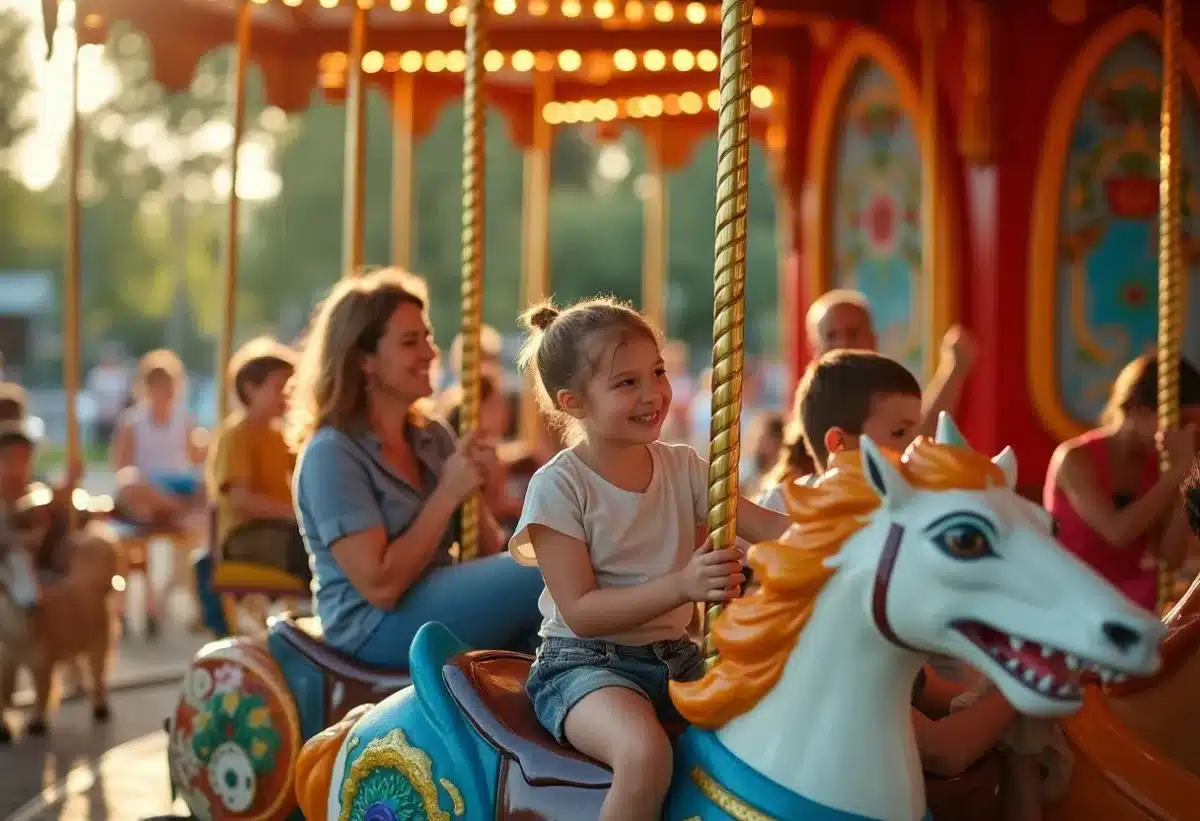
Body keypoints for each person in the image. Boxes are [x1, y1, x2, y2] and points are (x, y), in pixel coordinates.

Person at [509, 297, 792, 821]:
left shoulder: (684, 468)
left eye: (657, 373)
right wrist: (682, 586)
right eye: (626, 383)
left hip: (675, 657)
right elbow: (581, 611)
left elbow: (776, 531)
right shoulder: (559, 487)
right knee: (645, 754)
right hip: (584, 664)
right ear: (572, 402)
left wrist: (853, 533)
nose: (653, 394)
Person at [291, 268, 543, 667]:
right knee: (544, 573)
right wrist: (447, 494)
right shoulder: (331, 455)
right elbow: (381, 585)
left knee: (553, 616)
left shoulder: (431, 437)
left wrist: (476, 488)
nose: (429, 352)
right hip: (371, 626)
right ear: (364, 360)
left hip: (430, 600)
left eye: (427, 337)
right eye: (410, 342)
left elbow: (486, 549)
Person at [790, 350, 1020, 777]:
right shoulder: (819, 541)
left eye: (919, 436)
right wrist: (1028, 685)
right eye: (900, 434)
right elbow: (943, 751)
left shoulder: (887, 535)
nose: (916, 451)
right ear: (839, 444)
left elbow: (932, 691)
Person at [1044, 354, 1200, 611]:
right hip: (1072, 590)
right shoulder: (1075, 459)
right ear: (1136, 409)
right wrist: (1177, 473)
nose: (1188, 435)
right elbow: (1117, 533)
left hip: (1126, 592)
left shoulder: (1160, 466)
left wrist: (1187, 477)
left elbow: (1170, 557)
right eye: (1181, 422)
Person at [805, 288, 975, 436]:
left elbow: (915, 441)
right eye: (831, 336)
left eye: (853, 333)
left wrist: (954, 370)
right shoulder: (809, 406)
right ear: (814, 347)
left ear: (873, 339)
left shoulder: (887, 392)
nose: (843, 344)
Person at [110, 349, 207, 525]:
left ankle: (172, 509)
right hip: (148, 484)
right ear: (148, 386)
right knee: (128, 484)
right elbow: (121, 468)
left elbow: (197, 459)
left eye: (168, 384)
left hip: (180, 482)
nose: (164, 390)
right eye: (159, 384)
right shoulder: (131, 421)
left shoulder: (185, 419)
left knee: (209, 484)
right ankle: (175, 508)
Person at [86, 344, 132, 448]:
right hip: (101, 417)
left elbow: (126, 395)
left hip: (117, 418)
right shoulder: (96, 374)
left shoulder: (122, 374)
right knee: (101, 446)